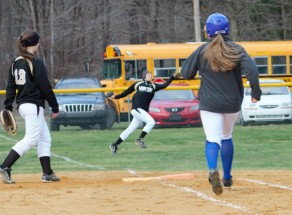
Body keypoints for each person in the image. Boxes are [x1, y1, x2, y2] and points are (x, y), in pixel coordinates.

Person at [180, 13, 262, 195]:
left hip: (210, 103)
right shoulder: (236, 49)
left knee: (212, 139)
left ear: (207, 30)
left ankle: (212, 170)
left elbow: (186, 74)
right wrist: (256, 93)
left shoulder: (202, 50)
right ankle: (226, 178)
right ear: (227, 30)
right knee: (226, 136)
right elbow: (253, 71)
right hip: (232, 103)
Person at [0, 29, 60, 184]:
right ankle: (4, 166)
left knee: (45, 138)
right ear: (34, 44)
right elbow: (45, 87)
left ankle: (47, 173)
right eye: (38, 41)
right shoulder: (35, 62)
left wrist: (8, 106)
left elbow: (11, 87)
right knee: (31, 139)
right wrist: (55, 107)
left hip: (23, 105)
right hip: (33, 105)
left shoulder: (16, 62)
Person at [110, 70, 175, 154]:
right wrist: (116, 96)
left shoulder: (153, 86)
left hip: (142, 111)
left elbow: (164, 85)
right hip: (137, 108)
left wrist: (172, 76)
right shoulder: (138, 84)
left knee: (129, 130)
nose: (150, 75)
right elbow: (127, 92)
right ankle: (140, 139)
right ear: (144, 76)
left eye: (151, 74)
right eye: (148, 74)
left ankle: (114, 145)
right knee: (151, 122)